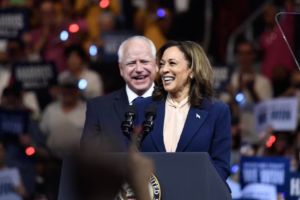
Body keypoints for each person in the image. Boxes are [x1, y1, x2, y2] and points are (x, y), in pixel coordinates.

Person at [133, 41, 231, 180]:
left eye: (172, 63)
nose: (163, 70)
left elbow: (221, 167)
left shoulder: (217, 112)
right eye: (162, 64)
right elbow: (128, 158)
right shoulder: (142, 108)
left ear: (192, 71)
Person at [81, 36, 158, 151]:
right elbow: (89, 161)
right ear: (121, 68)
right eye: (131, 63)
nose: (138, 69)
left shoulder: (175, 104)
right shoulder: (98, 108)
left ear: (156, 64)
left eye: (144, 61)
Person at [229, 42, 272, 142]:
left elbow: (267, 111)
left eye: (248, 53)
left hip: (260, 137)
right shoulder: (234, 78)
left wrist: (252, 91)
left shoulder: (264, 81)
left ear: (253, 55)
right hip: (240, 137)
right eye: (241, 53)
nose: (244, 57)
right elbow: (233, 109)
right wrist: (238, 90)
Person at [41, 74, 86, 158]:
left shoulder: (88, 110)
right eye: (65, 88)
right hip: (54, 161)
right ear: (60, 90)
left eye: (71, 88)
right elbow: (42, 134)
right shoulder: (50, 110)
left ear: (77, 90)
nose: (68, 91)